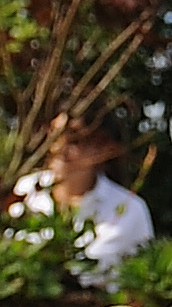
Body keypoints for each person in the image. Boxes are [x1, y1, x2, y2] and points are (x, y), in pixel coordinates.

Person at [18, 116, 150, 279]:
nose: (60, 147)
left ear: (103, 148)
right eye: (54, 134)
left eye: (74, 140)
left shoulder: (130, 209)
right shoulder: (24, 191)